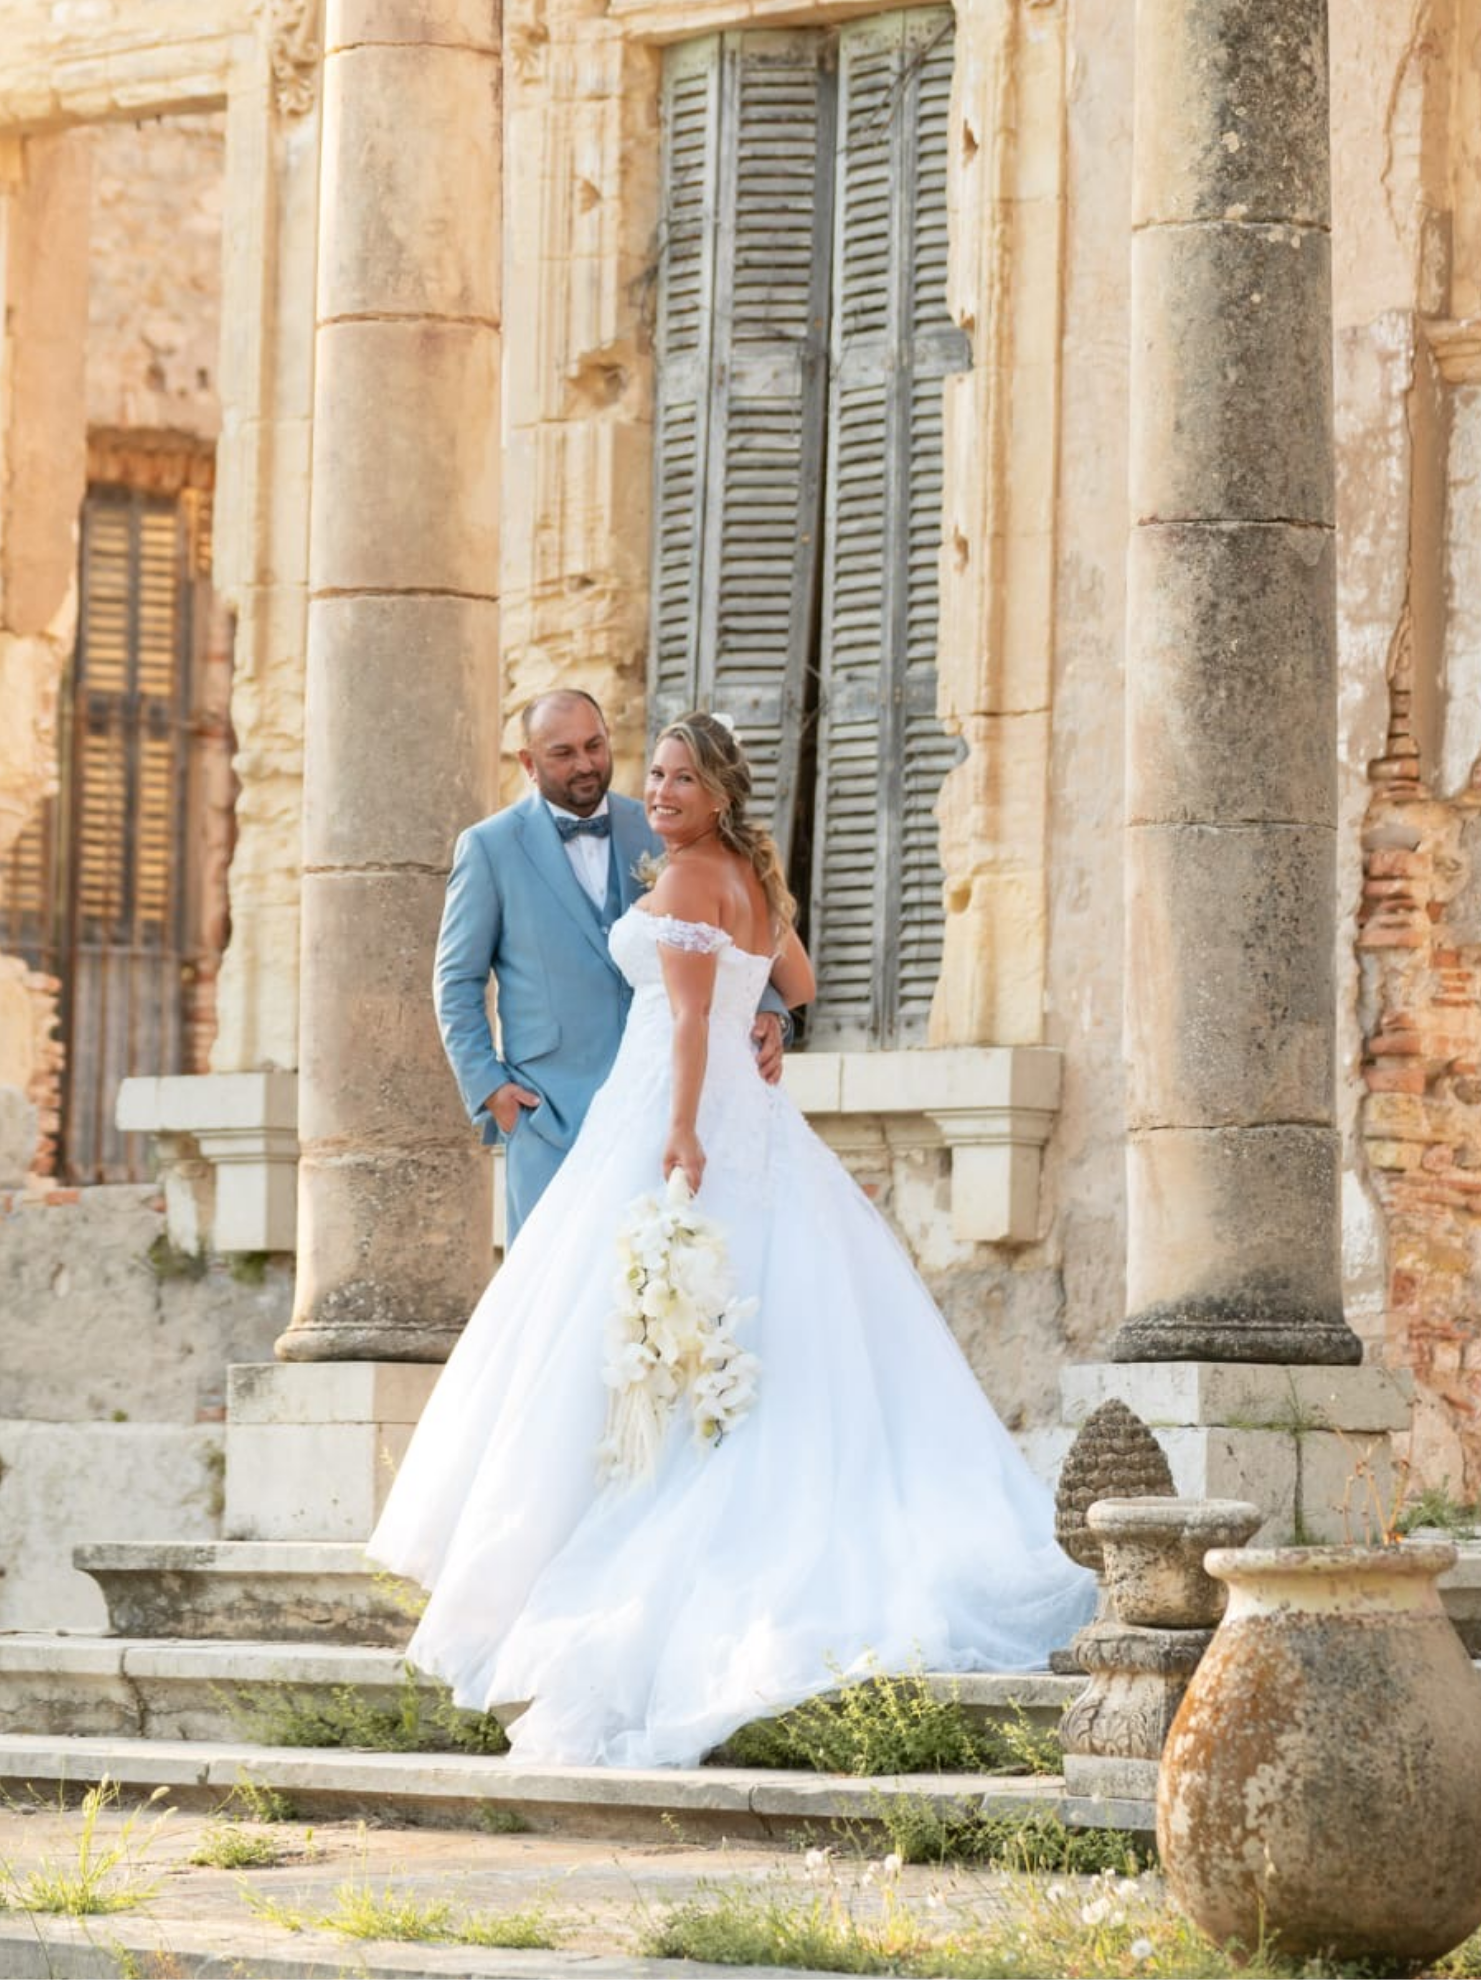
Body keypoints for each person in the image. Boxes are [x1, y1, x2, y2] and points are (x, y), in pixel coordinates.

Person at [371, 711, 1095, 1768]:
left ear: (714, 791)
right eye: (651, 775)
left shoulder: (679, 878)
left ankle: (605, 1546)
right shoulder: (741, 875)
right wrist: (766, 1018)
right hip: (740, 1126)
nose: (652, 792)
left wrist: (678, 1130)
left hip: (676, 1119)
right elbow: (790, 984)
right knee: (717, 1326)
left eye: (673, 777)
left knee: (652, 1332)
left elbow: (686, 1023)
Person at [433, 690, 786, 1245]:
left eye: (595, 746)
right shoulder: (489, 848)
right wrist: (491, 1089)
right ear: (528, 763)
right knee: (554, 1293)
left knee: (668, 1286)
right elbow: (457, 980)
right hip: (550, 1114)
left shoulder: (658, 821)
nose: (586, 765)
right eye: (563, 753)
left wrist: (767, 1008)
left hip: (660, 1098)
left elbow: (732, 920)